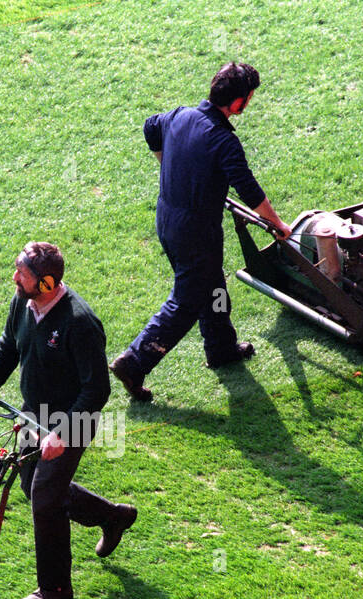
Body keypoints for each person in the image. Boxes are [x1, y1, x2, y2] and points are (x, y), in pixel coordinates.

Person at [0, 241, 137, 599]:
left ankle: (54, 588)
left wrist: (64, 433)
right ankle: (112, 516)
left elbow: (96, 389)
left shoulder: (79, 323)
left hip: (73, 420)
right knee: (30, 483)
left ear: (47, 282)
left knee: (44, 498)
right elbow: (9, 346)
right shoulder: (24, 302)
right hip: (31, 415)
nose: (15, 277)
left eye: (22, 273)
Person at [110, 62, 291, 402]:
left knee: (211, 285)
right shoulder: (223, 141)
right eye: (249, 98)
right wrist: (278, 225)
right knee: (187, 301)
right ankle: (135, 360)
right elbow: (248, 189)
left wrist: (166, 163)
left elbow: (150, 126)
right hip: (196, 232)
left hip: (167, 221)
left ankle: (221, 347)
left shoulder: (180, 116)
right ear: (238, 103)